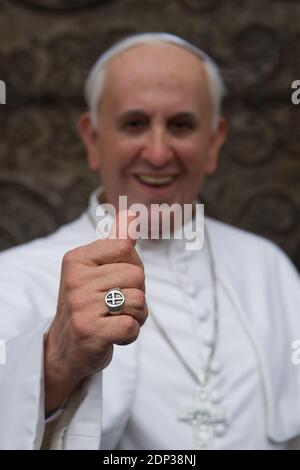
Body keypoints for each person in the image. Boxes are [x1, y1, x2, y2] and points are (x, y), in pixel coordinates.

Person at [0, 33, 299, 450]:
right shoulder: (13, 279)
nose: (158, 154)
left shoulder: (267, 268)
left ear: (213, 143)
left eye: (181, 125)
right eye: (134, 124)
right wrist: (55, 364)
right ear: (92, 140)